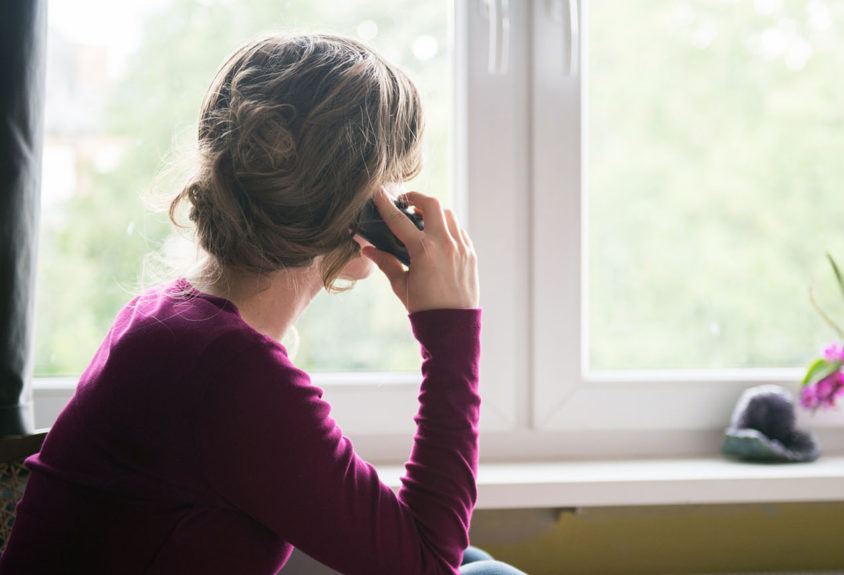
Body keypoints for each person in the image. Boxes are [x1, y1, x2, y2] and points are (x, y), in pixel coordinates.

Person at [0, 34, 524, 575]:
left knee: (473, 558)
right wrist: (451, 331)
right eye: (390, 183)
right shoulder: (229, 372)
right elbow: (426, 564)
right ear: (360, 209)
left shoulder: (169, 319)